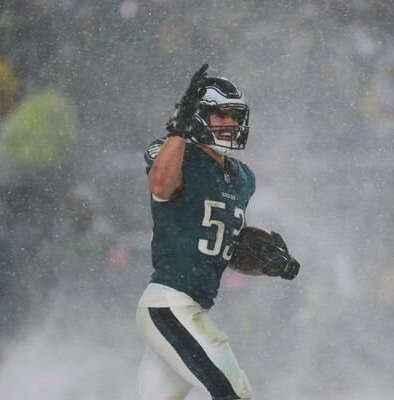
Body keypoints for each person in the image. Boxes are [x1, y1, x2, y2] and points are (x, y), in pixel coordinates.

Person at [135, 64, 299, 400]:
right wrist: (177, 131)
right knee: (232, 394)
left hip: (192, 306)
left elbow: (224, 250)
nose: (231, 123)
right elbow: (161, 186)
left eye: (235, 116)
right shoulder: (174, 151)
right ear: (196, 117)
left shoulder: (243, 177)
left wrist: (265, 264)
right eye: (220, 115)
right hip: (170, 303)